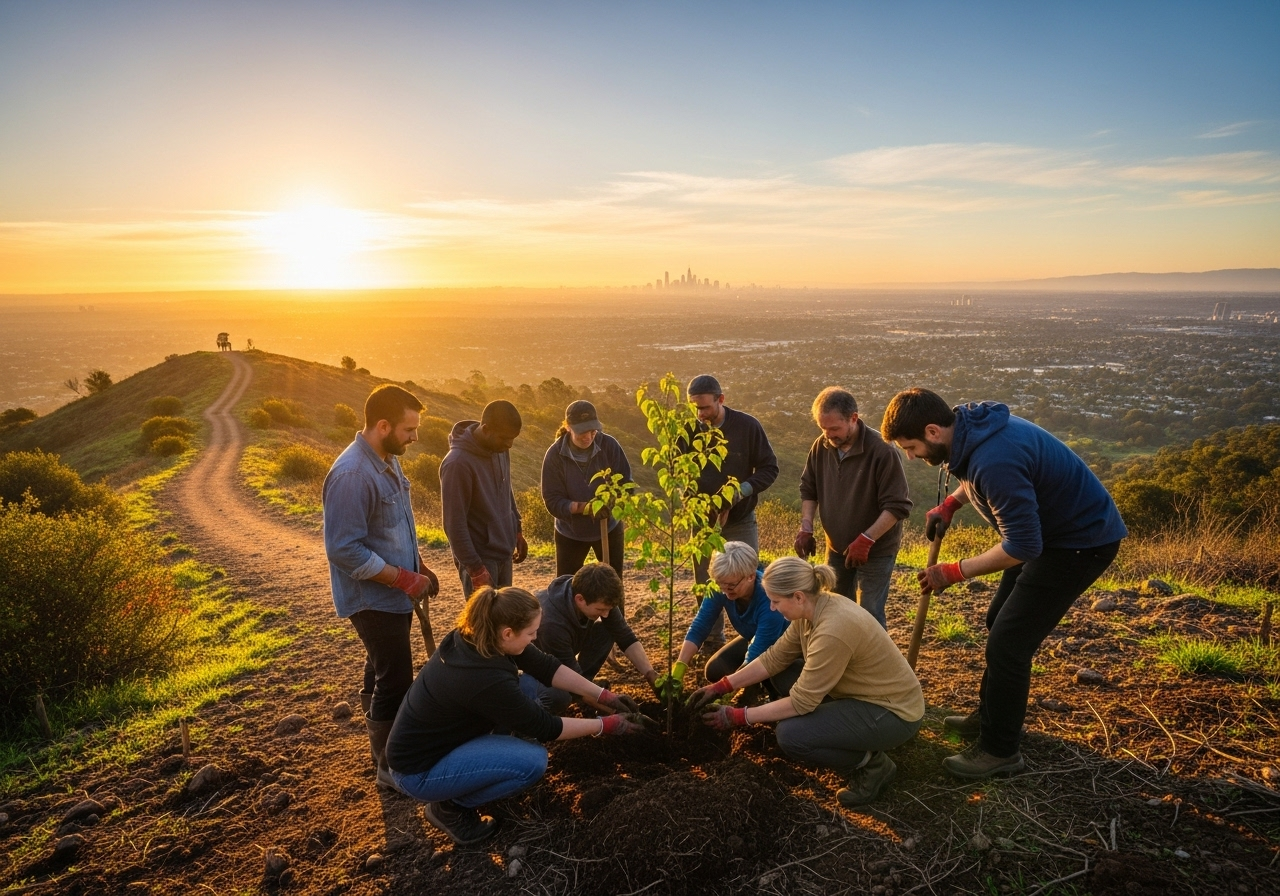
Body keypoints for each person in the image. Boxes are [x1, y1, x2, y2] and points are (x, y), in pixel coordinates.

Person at [881, 388, 1127, 779]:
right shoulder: (968, 431)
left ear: (932, 430)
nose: (911, 457)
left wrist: (952, 571)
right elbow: (974, 477)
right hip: (1049, 535)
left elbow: (1023, 545)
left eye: (911, 447)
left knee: (1009, 643)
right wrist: (952, 502)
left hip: (1079, 543)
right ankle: (989, 716)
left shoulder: (996, 459)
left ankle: (1000, 750)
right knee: (998, 620)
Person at [386, 585, 651, 845]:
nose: (535, 638)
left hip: (446, 740)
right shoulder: (484, 679)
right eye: (531, 633)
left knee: (532, 691)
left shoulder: (480, 635)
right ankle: (450, 807)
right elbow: (546, 727)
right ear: (508, 633)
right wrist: (606, 725)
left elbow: (547, 667)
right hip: (419, 771)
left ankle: (484, 768)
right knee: (532, 761)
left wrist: (603, 696)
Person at [687, 557, 924, 807]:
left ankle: (874, 765)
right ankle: (839, 730)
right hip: (857, 694)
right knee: (779, 671)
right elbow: (774, 658)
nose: (772, 608)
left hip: (893, 712)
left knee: (791, 735)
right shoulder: (810, 612)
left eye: (776, 601)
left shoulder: (832, 630)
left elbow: (802, 702)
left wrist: (738, 716)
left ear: (798, 597)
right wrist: (722, 686)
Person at [322, 384, 441, 789]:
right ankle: (393, 767)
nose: (415, 437)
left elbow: (395, 525)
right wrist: (404, 577)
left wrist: (419, 563)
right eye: (410, 429)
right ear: (383, 425)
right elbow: (343, 549)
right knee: (396, 676)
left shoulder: (387, 458)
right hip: (371, 596)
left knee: (381, 666)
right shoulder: (353, 474)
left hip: (393, 590)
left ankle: (383, 754)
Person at [795, 387, 912, 629]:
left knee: (869, 614)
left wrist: (867, 539)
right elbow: (809, 489)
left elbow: (897, 506)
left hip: (876, 550)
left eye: (835, 429)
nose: (828, 435)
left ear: (853, 419)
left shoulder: (883, 451)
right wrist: (806, 527)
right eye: (823, 429)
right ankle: (843, 660)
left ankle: (875, 664)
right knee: (833, 608)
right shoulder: (821, 446)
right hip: (836, 548)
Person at [687, 374, 779, 646]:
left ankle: (759, 638)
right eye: (695, 408)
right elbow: (681, 475)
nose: (701, 414)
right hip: (702, 522)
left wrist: (738, 494)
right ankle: (712, 641)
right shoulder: (689, 432)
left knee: (749, 579)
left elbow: (769, 469)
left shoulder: (747, 426)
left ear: (721, 400)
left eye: (705, 407)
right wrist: (699, 505)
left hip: (740, 520)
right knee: (706, 583)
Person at [665, 541, 798, 699]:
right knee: (715, 670)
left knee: (777, 683)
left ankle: (768, 691)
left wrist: (727, 690)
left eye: (731, 585)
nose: (724, 590)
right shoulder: (721, 587)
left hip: (785, 647)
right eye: (720, 583)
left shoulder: (769, 598)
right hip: (754, 639)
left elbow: (759, 649)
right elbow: (700, 626)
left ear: (751, 576)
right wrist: (679, 668)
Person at [528, 563, 658, 712]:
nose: (605, 614)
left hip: (567, 652)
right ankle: (584, 695)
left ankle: (588, 685)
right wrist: (613, 708)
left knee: (608, 629)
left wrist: (650, 674)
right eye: (601, 610)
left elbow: (625, 636)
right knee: (560, 696)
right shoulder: (551, 624)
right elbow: (571, 679)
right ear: (580, 599)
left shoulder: (597, 594)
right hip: (534, 670)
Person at [440, 400, 528, 597]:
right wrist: (475, 568)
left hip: (504, 552)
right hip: (480, 558)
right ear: (486, 429)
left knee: (504, 619)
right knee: (485, 623)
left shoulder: (499, 449)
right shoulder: (457, 464)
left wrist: (517, 530)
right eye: (505, 438)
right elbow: (454, 524)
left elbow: (506, 490)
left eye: (513, 439)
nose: (509, 445)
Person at [540, 400, 632, 577]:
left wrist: (611, 503)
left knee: (612, 584)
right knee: (566, 586)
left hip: (609, 528)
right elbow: (552, 501)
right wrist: (585, 508)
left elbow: (626, 484)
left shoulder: (609, 446)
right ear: (568, 427)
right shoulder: (554, 455)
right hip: (570, 533)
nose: (588, 436)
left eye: (592, 430)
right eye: (582, 431)